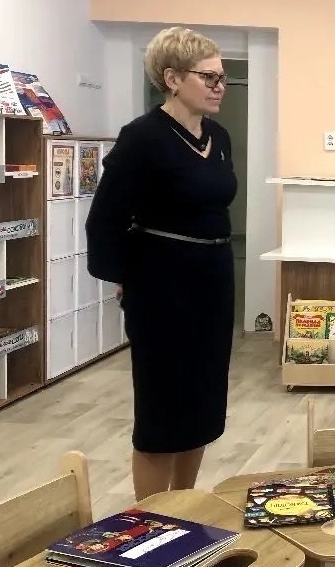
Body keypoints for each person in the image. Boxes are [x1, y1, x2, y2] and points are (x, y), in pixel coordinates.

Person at [85, 27, 237, 501]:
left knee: (202, 403)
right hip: (162, 286)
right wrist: (126, 278)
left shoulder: (219, 136)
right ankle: (151, 518)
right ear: (172, 78)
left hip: (213, 279)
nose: (219, 86)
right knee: (163, 408)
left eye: (222, 77)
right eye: (208, 77)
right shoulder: (142, 138)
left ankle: (184, 504)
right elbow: (105, 219)